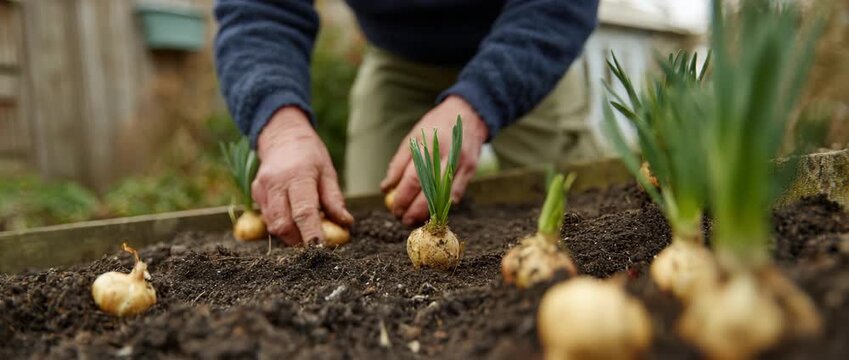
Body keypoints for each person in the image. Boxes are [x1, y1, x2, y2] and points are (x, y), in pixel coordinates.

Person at [214, 0, 601, 246]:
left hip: (523, 51)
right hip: (397, 58)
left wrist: (479, 102)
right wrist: (283, 130)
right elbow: (259, 8)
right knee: (369, 227)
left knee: (587, 217)